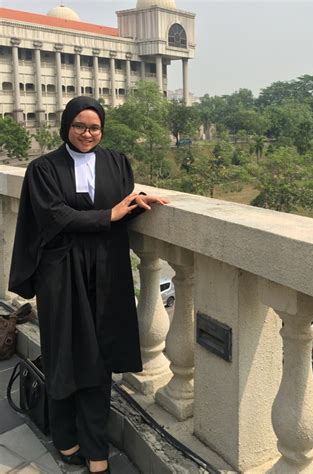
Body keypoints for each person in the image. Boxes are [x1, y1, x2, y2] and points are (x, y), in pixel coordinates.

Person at [9, 96, 169, 473]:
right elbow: (54, 216)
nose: (87, 133)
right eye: (79, 126)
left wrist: (135, 201)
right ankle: (66, 438)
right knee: (62, 354)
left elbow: (120, 206)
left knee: (99, 360)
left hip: (106, 271)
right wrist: (107, 215)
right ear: (66, 126)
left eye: (94, 127)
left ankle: (96, 451)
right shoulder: (43, 168)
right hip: (60, 273)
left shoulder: (116, 162)